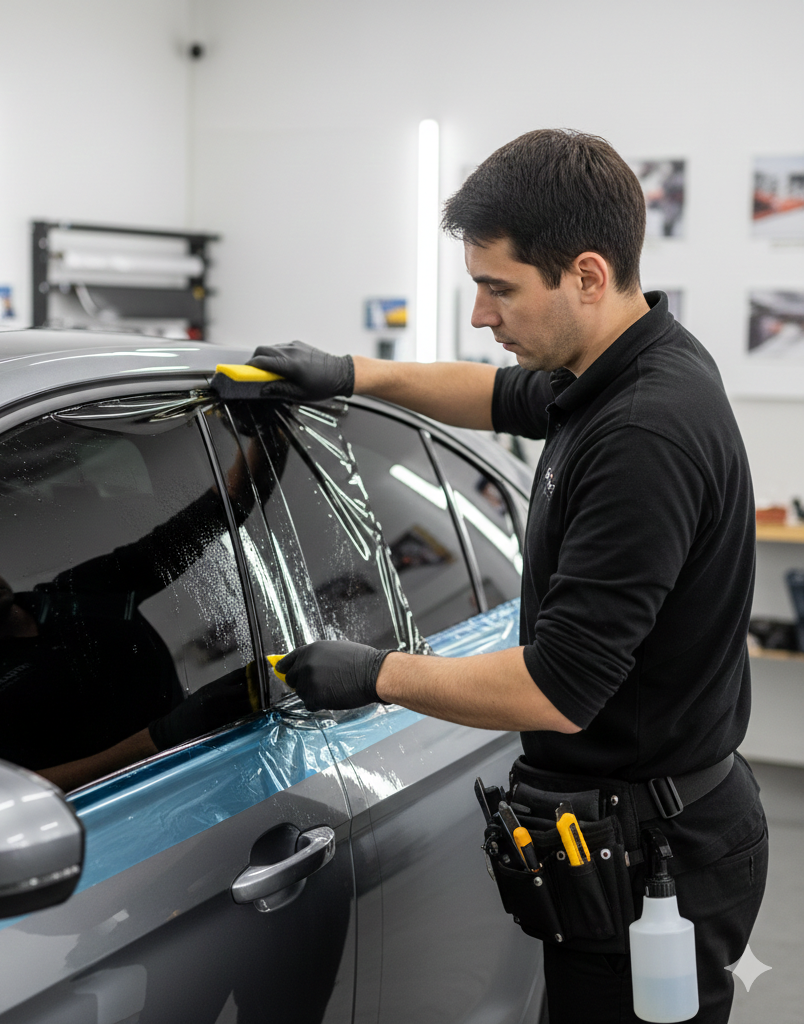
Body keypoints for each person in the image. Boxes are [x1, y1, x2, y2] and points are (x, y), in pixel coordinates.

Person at [251, 130, 767, 1024]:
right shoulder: (611, 367)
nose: (485, 316)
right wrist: (351, 375)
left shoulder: (644, 432)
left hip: (660, 856)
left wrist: (375, 674)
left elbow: (561, 688)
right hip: (645, 819)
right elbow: (493, 395)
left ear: (589, 275)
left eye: (500, 289)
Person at [0, 434, 277, 791]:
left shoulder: (77, 594)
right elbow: (5, 793)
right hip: (104, 823)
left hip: (219, 763)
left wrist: (264, 427)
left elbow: (220, 511)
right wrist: (158, 740)